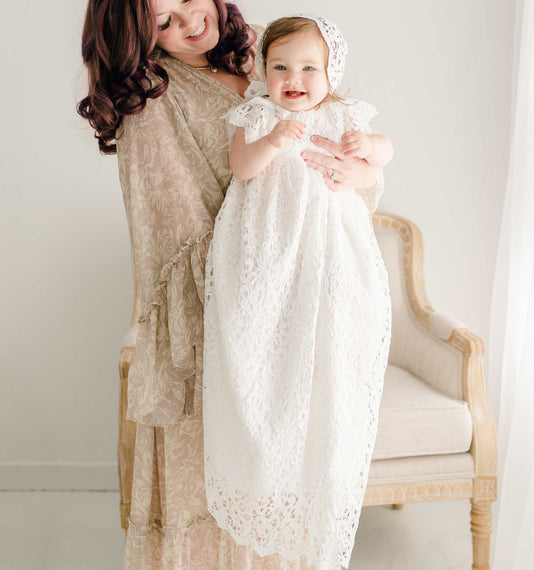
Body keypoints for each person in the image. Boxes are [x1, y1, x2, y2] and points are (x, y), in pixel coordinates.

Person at [78, 1, 386, 568]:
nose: (189, 23)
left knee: (286, 474)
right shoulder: (156, 98)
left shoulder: (266, 50)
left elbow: (344, 146)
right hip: (224, 315)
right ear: (139, 39)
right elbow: (173, 235)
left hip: (309, 301)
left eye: (188, 0)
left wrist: (362, 170)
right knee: (222, 488)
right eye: (163, 23)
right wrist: (250, 304)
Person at [202, 16, 392, 569]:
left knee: (329, 308)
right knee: (264, 325)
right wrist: (271, 140)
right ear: (263, 71)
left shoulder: (342, 115)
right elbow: (241, 167)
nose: (295, 79)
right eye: (280, 66)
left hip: (327, 245)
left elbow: (382, 154)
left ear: (332, 72)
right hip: (268, 243)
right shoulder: (258, 113)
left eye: (310, 67)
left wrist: (369, 148)